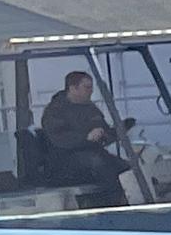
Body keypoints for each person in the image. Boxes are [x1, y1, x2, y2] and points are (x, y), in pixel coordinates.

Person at [29, 71, 130, 201]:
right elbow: (60, 139)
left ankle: (131, 199)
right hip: (64, 160)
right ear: (73, 88)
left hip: (93, 153)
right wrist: (86, 138)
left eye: (91, 88)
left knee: (125, 167)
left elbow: (102, 131)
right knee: (101, 164)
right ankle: (112, 203)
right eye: (87, 87)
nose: (91, 91)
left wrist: (115, 132)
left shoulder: (90, 108)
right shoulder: (55, 111)